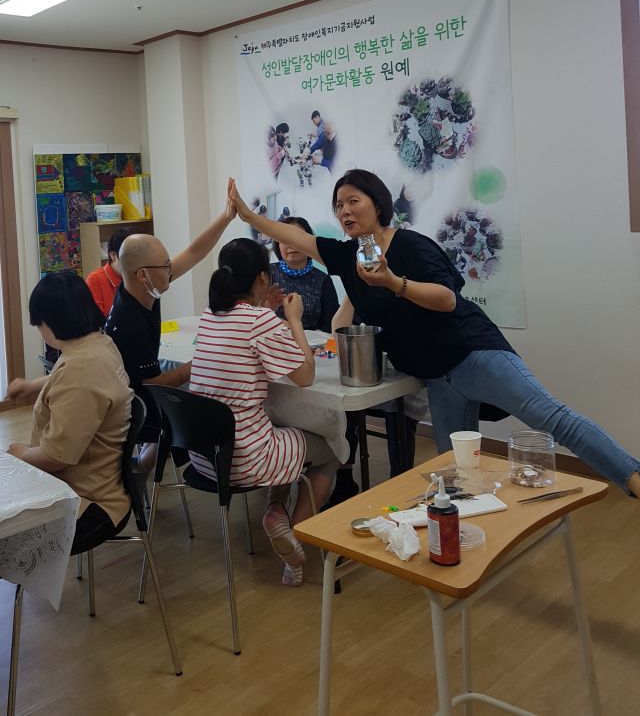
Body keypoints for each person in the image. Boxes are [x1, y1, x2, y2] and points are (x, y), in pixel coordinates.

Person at [227, 171, 640, 498]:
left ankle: (633, 477)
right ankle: (469, 540)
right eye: (338, 205)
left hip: (474, 354)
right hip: (437, 379)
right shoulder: (349, 254)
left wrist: (393, 282)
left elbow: (447, 299)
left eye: (354, 200)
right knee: (455, 470)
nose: (345, 211)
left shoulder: (410, 245)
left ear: (378, 204)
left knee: (553, 419)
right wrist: (248, 217)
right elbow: (296, 237)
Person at [189, 238, 339, 586]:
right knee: (331, 451)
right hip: (245, 460)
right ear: (261, 277)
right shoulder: (259, 321)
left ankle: (276, 510)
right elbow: (305, 376)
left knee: (280, 430)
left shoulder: (210, 316)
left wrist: (265, 309)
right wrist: (294, 320)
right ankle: (296, 534)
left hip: (205, 457)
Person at [105, 184, 236, 469]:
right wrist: (195, 365)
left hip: (137, 392)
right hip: (135, 406)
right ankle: (140, 471)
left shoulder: (139, 288)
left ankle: (142, 466)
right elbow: (153, 385)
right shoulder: (129, 323)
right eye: (165, 267)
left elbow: (193, 252)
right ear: (143, 274)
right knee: (204, 397)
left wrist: (226, 217)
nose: (170, 270)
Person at [6, 272, 133, 553]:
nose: (40, 331)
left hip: (88, 502)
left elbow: (56, 457)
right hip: (87, 482)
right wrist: (31, 386)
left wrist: (19, 454)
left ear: (51, 322)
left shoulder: (82, 370)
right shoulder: (97, 344)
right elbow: (64, 377)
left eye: (39, 324)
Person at [271, 216, 339, 333]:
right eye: (285, 238)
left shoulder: (323, 280)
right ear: (278, 244)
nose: (291, 244)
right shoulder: (266, 274)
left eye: (297, 238)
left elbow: (330, 324)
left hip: (313, 342)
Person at [85, 227, 137, 316]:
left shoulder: (141, 275)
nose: (137, 261)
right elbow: (96, 321)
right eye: (131, 255)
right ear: (113, 255)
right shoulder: (95, 280)